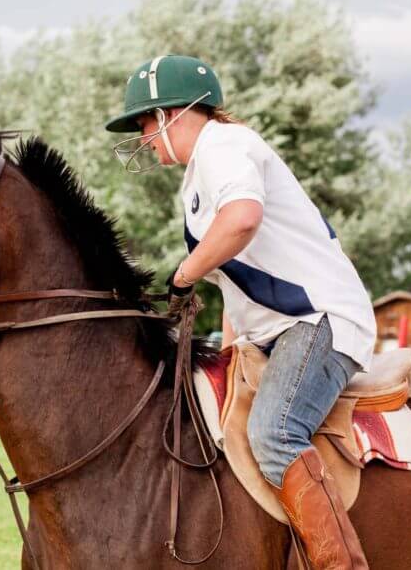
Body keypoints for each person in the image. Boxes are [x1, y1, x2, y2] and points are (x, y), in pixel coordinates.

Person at [107, 55, 374, 570]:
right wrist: (231, 356)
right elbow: (236, 285)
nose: (142, 134)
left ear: (174, 113)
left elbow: (243, 219)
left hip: (318, 320)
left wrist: (185, 274)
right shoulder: (199, 178)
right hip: (276, 330)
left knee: (274, 434)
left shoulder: (223, 145)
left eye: (144, 121)